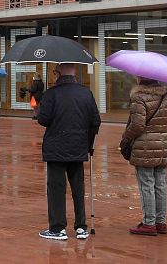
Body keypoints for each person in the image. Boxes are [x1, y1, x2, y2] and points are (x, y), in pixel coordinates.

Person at [37, 63, 101, 241]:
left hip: (56, 148)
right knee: (78, 188)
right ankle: (81, 227)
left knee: (56, 188)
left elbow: (43, 119)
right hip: (78, 148)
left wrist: (37, 109)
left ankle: (58, 228)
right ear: (74, 73)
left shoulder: (51, 94)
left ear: (57, 73)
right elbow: (95, 121)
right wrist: (88, 144)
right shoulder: (86, 93)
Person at [120, 77, 167, 236]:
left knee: (147, 184)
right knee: (161, 185)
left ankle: (149, 223)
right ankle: (160, 222)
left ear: (141, 78)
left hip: (144, 146)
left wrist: (126, 136)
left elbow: (137, 125)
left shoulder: (138, 97)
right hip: (164, 145)